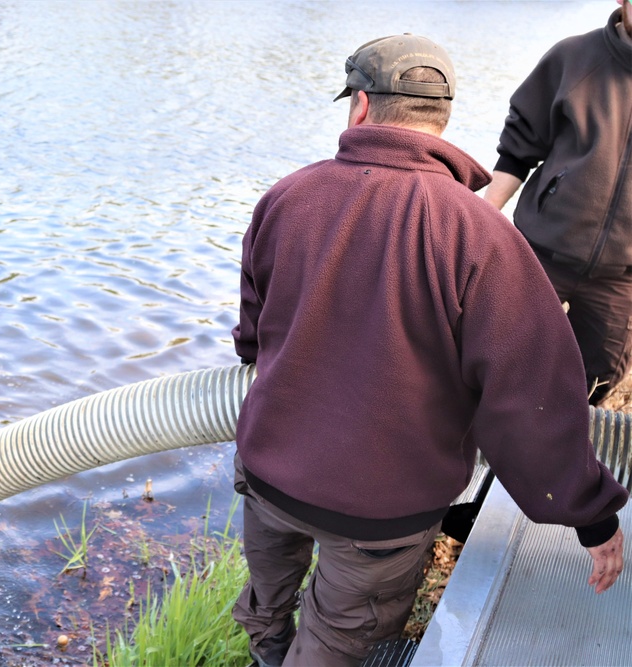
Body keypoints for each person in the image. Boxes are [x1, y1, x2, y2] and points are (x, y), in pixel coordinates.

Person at [230, 33, 628, 667]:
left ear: (359, 107)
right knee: (336, 643)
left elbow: (254, 334)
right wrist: (593, 518)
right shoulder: (480, 235)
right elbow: (529, 401)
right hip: (380, 515)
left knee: (266, 608)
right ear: (440, 119)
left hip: (268, 479)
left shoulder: (286, 197)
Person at [484, 0, 632, 405]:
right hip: (539, 256)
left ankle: (554, 465)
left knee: (589, 394)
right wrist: (480, 218)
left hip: (622, 281)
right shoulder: (573, 57)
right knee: (496, 366)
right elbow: (518, 148)